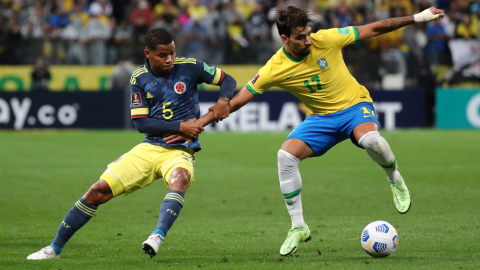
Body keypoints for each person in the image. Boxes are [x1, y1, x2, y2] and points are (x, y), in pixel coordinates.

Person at [168, 5, 444, 257]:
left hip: (354, 106)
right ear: (284, 39)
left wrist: (418, 17)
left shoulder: (327, 39)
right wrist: (196, 125)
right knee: (284, 157)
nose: (308, 40)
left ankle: (394, 178)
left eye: (308, 34)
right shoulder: (275, 68)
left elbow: (375, 28)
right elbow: (238, 100)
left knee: (372, 141)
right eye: (300, 37)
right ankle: (299, 227)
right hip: (321, 119)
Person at [26, 28, 236, 260]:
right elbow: (141, 123)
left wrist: (223, 100)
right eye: (162, 55)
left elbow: (228, 79)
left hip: (180, 150)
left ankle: (157, 236)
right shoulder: (139, 78)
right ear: (148, 53)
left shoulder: (191, 66)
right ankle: (54, 248)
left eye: (172, 53)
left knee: (180, 179)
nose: (169, 59)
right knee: (98, 191)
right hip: (148, 148)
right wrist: (180, 127)